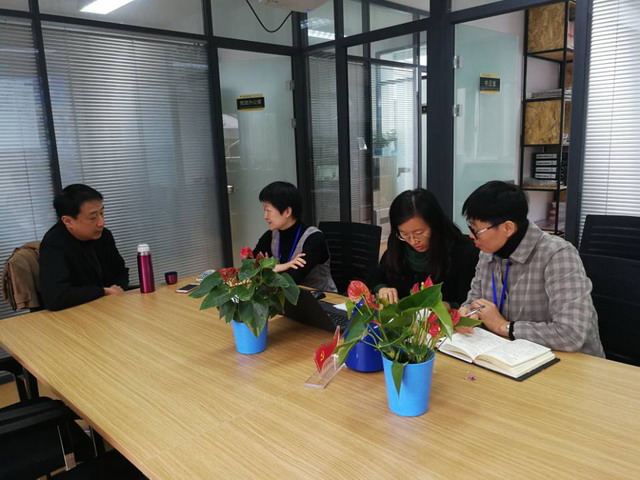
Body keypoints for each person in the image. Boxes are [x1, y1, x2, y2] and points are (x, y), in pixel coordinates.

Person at [460, 180, 604, 356]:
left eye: (476, 230)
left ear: (507, 228)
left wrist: (502, 326)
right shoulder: (487, 253)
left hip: (571, 361)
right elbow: (474, 301)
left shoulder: (557, 254)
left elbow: (571, 334)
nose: (471, 235)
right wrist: (468, 313)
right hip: (512, 354)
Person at [368, 188, 479, 307]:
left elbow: (470, 303)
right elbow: (376, 277)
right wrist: (382, 288)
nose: (413, 241)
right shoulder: (399, 246)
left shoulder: (464, 253)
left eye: (419, 233)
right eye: (404, 234)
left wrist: (448, 306)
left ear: (435, 225)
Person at [40, 184, 129, 311]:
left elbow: (120, 272)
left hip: (110, 306)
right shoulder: (53, 245)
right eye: (93, 217)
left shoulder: (104, 235)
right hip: (75, 313)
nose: (102, 222)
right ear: (68, 221)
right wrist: (103, 291)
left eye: (102, 213)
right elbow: (56, 297)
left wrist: (117, 290)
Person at [253, 181, 337, 292]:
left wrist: (268, 268)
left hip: (320, 298)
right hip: (281, 297)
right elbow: (251, 267)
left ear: (287, 212)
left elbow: (293, 279)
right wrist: (281, 267)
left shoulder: (314, 238)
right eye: (264, 210)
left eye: (268, 210)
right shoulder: (272, 235)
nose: (265, 216)